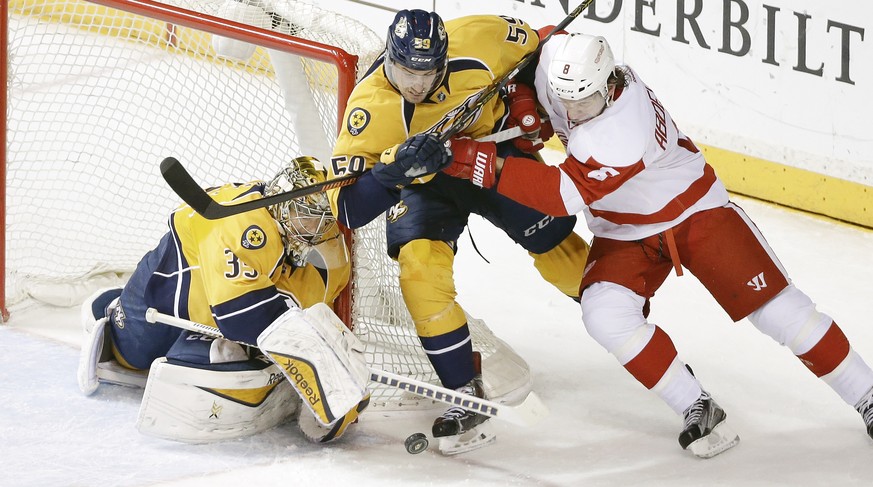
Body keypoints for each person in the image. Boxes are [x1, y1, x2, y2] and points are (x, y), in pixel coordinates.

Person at [440, 32, 873, 458]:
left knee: (782, 313)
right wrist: (523, 97)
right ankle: (694, 403)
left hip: (694, 213)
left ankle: (866, 393)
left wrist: (467, 160)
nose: (571, 112)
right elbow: (545, 39)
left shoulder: (624, 128)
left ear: (610, 86)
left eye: (582, 102)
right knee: (604, 314)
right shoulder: (570, 72)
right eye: (563, 99)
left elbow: (558, 195)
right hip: (623, 230)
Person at [324, 10, 591, 453]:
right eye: (406, 70)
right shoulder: (367, 110)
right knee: (419, 270)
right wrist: (393, 173)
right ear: (389, 57)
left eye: (428, 72)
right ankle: (463, 389)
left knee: (556, 245)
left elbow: (548, 44)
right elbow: (349, 210)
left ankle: (619, 309)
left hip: (493, 153)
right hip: (423, 185)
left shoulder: (480, 37)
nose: (416, 83)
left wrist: (525, 100)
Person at [77, 157, 370, 444]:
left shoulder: (308, 237)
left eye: (323, 216)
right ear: (284, 201)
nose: (318, 227)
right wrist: (311, 355)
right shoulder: (243, 226)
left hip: (213, 309)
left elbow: (305, 308)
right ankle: (111, 306)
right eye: (308, 214)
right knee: (133, 358)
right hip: (164, 299)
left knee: (217, 356)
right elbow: (240, 317)